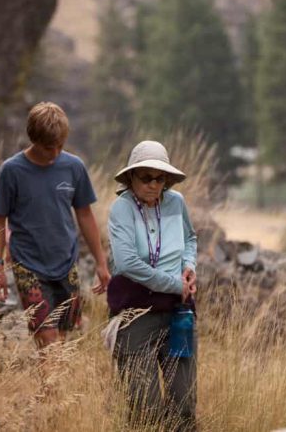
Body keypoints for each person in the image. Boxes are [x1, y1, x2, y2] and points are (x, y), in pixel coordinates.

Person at [0, 102, 110, 348]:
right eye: (48, 147)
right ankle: (50, 388)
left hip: (66, 264)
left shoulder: (73, 167)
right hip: (28, 265)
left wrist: (101, 262)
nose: (54, 153)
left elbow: (85, 215)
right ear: (33, 139)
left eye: (60, 146)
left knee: (63, 338)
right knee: (47, 338)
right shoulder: (12, 171)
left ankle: (52, 388)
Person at [107, 140, 198, 431]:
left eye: (160, 178)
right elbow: (127, 264)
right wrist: (174, 284)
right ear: (131, 177)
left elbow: (190, 240)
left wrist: (189, 267)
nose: (153, 185)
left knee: (183, 404)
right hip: (135, 315)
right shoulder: (121, 209)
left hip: (178, 314)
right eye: (146, 177)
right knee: (144, 407)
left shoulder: (177, 202)